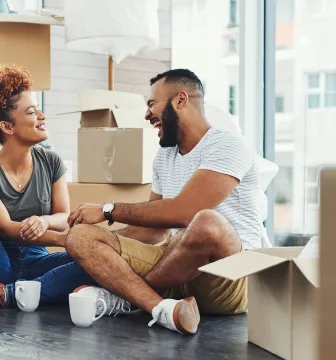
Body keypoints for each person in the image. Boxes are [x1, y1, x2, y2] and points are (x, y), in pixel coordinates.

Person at [65, 69, 262, 335]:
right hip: (176, 265)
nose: (147, 115)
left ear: (180, 100)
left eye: (151, 104)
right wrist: (99, 242)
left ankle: (130, 299)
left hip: (230, 273)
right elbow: (152, 231)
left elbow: (185, 213)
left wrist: (108, 210)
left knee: (207, 222)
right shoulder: (164, 157)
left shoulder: (228, 145)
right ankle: (163, 309)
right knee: (80, 237)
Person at [0, 65, 93, 328]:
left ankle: (1, 294)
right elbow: (4, 228)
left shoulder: (52, 161)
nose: (41, 115)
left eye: (37, 108)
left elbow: (63, 216)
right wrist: (66, 240)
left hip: (38, 259)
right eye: (31, 111)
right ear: (7, 126)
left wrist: (47, 222)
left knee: (98, 261)